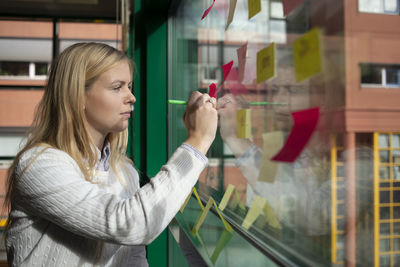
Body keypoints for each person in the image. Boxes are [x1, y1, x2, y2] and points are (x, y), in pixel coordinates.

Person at [4, 42, 218, 266]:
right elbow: (129, 223)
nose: (131, 97)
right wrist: (197, 143)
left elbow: (133, 259)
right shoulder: (40, 166)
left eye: (129, 86)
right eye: (117, 87)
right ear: (77, 96)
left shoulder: (125, 173)